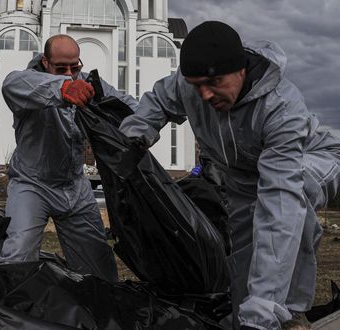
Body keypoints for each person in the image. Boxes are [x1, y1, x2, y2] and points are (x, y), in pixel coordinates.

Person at [119, 21, 340, 329]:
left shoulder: (281, 108)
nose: (205, 96)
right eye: (197, 86)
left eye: (215, 83)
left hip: (311, 159)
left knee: (291, 209)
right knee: (245, 257)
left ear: (241, 71)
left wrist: (263, 310)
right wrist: (136, 133)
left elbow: (280, 202)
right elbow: (158, 99)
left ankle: (289, 314)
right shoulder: (191, 86)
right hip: (244, 178)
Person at [0, 34, 138, 283]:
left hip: (75, 188)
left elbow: (122, 101)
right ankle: (9, 315)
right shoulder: (29, 82)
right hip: (32, 186)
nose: (68, 73)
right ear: (45, 61)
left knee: (100, 270)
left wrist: (149, 119)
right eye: (60, 68)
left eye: (74, 67)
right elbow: (11, 84)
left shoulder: (85, 83)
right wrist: (63, 89)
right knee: (17, 257)